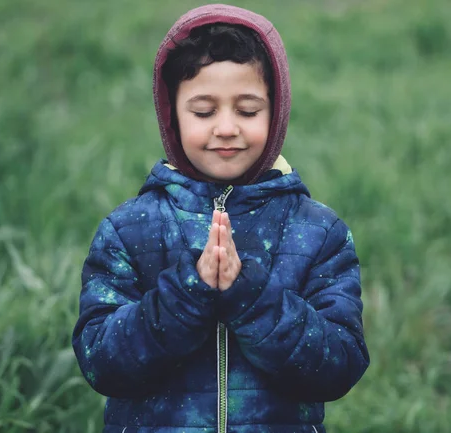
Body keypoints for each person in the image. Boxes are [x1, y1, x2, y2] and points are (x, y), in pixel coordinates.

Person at [73, 4, 369, 433]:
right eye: (204, 111)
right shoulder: (128, 230)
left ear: (277, 110)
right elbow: (101, 363)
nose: (227, 127)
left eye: (248, 110)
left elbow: (339, 364)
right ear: (172, 115)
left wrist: (249, 295)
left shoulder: (319, 233)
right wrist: (185, 295)